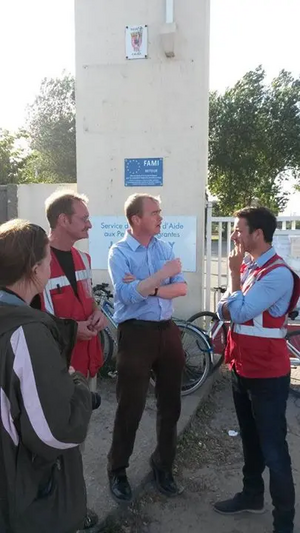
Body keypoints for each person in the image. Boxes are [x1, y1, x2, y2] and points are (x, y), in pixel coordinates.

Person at [0, 219, 93, 533]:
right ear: (34, 269)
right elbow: (56, 433)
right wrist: (78, 386)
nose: (51, 266)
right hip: (27, 499)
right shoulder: (26, 334)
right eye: (48, 260)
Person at [214, 207, 299, 533]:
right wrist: (234, 290)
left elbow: (241, 310)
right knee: (250, 440)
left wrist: (233, 278)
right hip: (243, 368)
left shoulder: (277, 273)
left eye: (239, 230)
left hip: (267, 374)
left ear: (258, 234)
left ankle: (284, 523)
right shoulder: (251, 267)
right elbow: (225, 309)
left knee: (274, 450)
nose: (235, 235)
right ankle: (252, 496)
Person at [31, 190, 107, 529]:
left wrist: (98, 316)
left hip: (86, 365)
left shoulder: (83, 260)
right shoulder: (34, 262)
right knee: (55, 447)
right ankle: (59, 512)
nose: (90, 224)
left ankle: (71, 506)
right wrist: (73, 331)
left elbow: (87, 302)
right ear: (63, 220)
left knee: (77, 445)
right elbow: (33, 319)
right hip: (57, 370)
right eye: (84, 218)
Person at [107, 193, 187, 503]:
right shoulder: (119, 252)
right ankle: (117, 470)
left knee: (171, 405)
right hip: (136, 334)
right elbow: (126, 296)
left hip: (167, 332)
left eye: (160, 211)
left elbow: (181, 288)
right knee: (131, 406)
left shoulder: (163, 246)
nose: (160, 217)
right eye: (154, 212)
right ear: (136, 219)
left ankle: (163, 467)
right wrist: (162, 276)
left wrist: (148, 285)